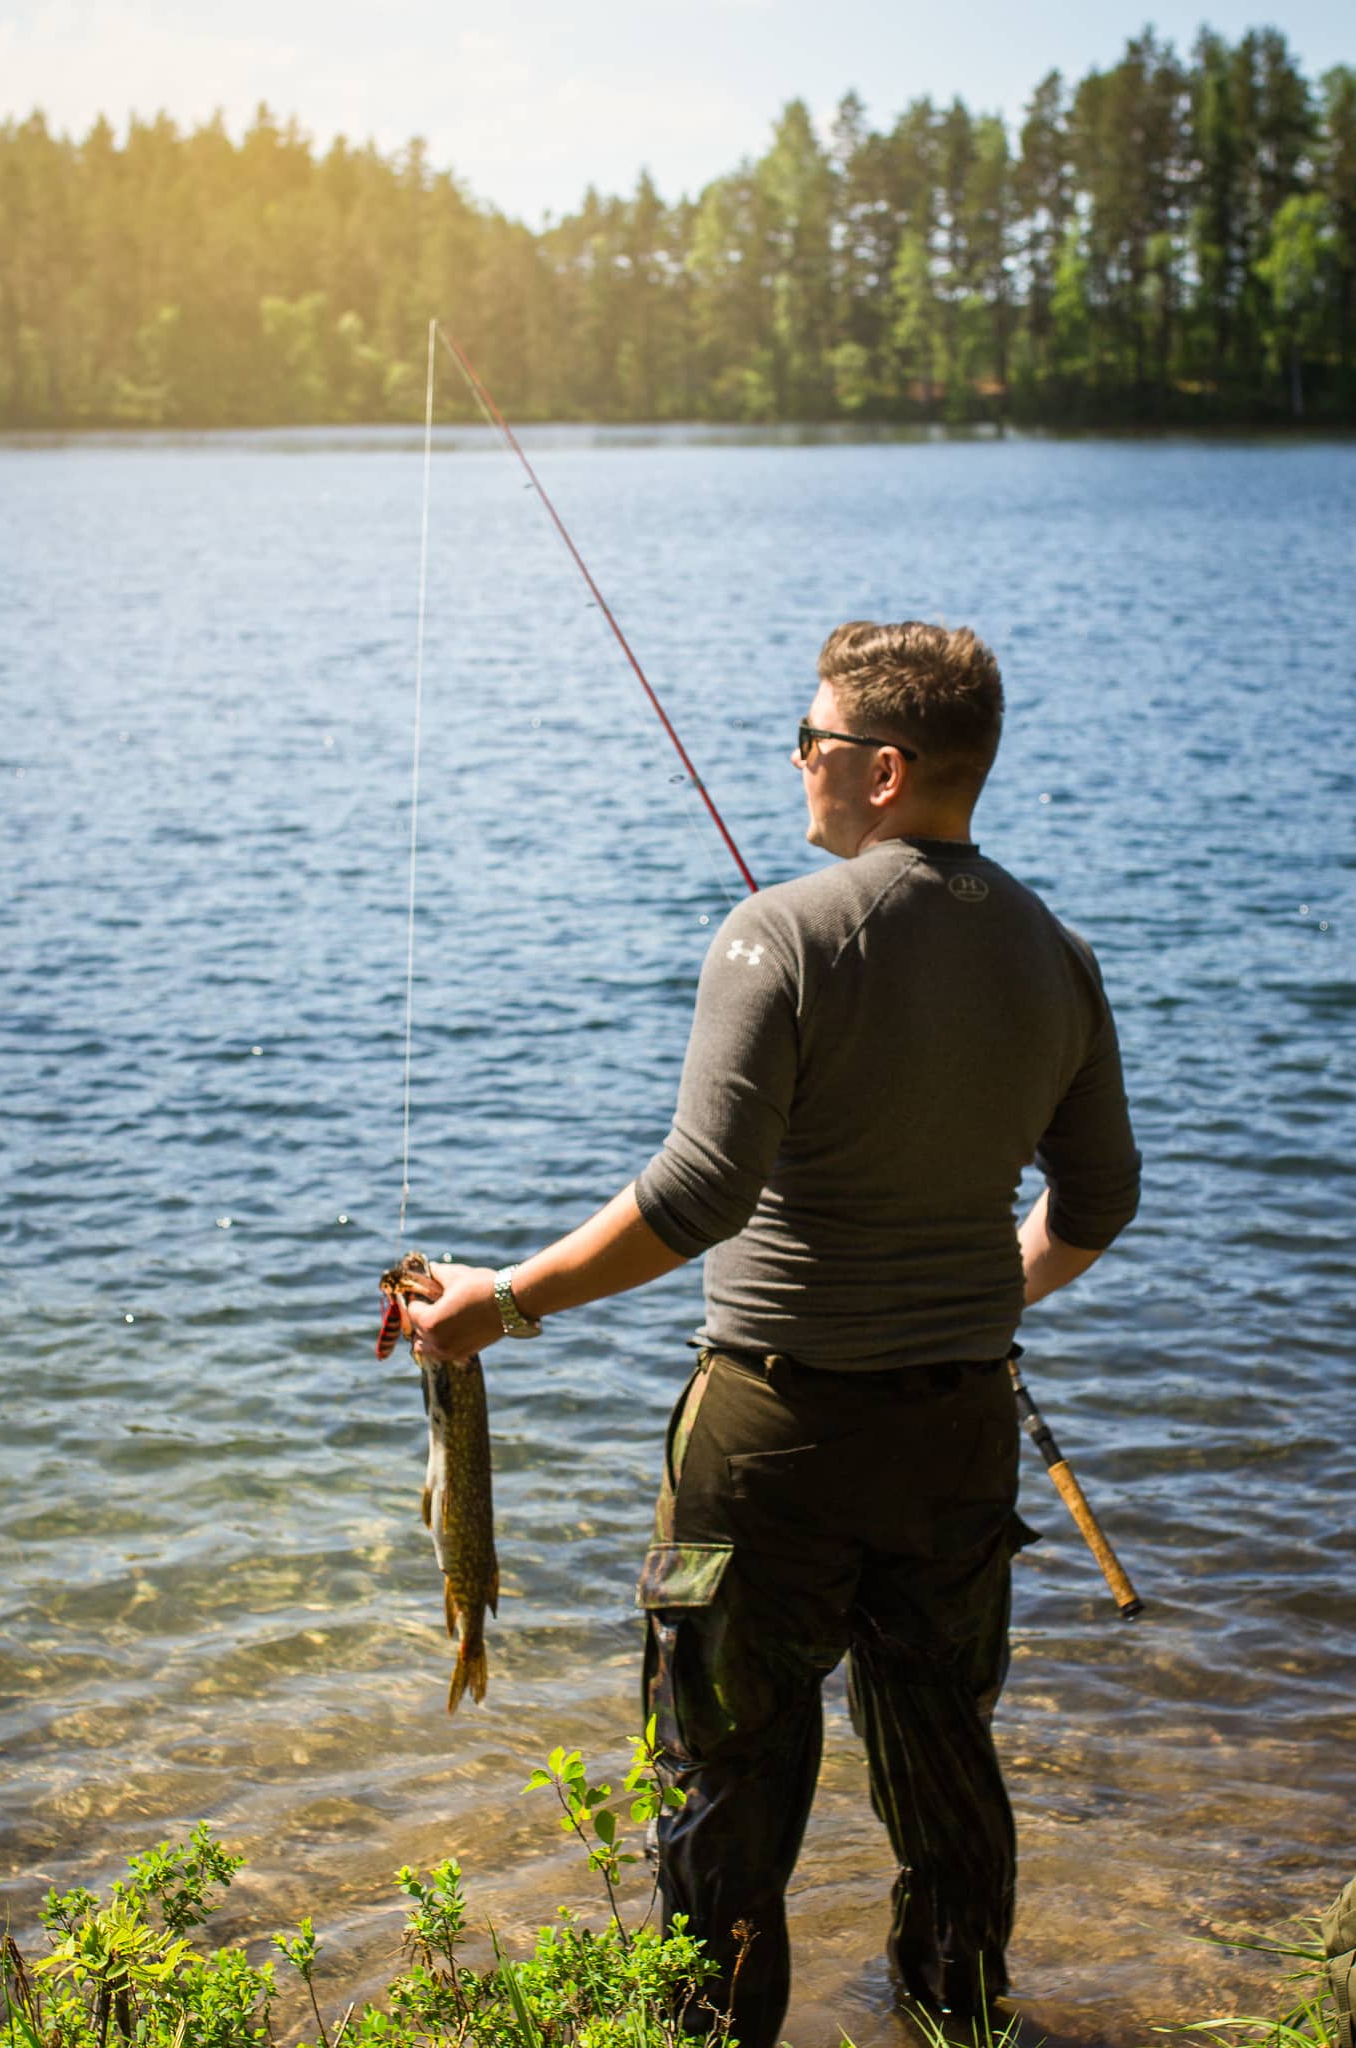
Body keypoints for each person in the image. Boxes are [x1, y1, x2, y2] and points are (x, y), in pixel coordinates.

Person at [403, 619, 1140, 2048]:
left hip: (770, 1449)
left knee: (722, 1788)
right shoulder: (1058, 953)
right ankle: (955, 2022)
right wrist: (972, 1293)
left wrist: (502, 1303)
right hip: (954, 1435)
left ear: (878, 767)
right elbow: (1097, 1199)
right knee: (944, 1767)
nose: (793, 765)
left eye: (808, 742)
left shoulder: (779, 931)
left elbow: (696, 1194)